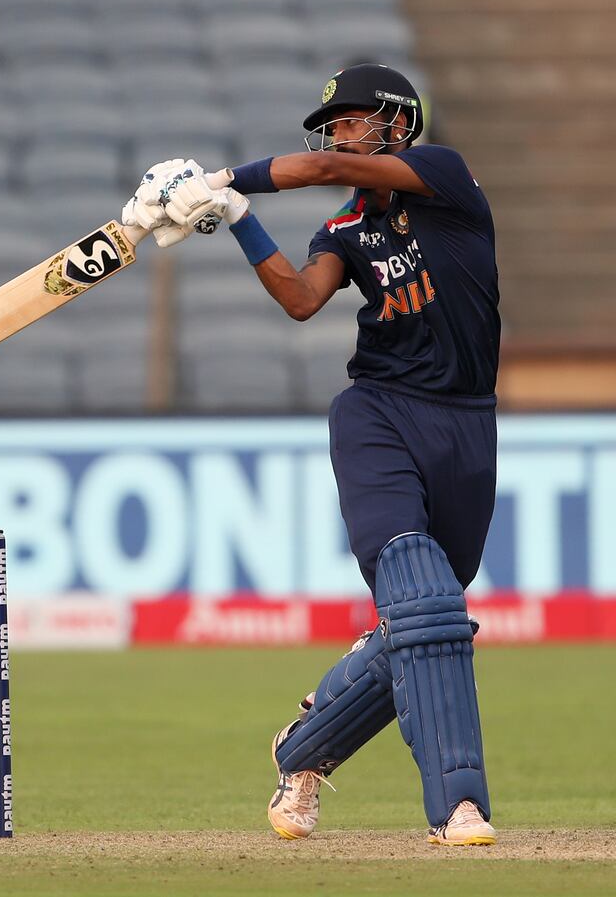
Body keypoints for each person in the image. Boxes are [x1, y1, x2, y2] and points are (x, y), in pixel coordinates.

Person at [123, 63, 500, 847]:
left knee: (419, 622)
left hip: (467, 423)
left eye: (355, 119)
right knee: (426, 602)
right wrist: (233, 215)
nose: (339, 134)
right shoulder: (342, 229)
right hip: (379, 416)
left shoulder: (444, 176)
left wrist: (225, 178)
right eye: (334, 124)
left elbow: (323, 167)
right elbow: (300, 299)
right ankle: (459, 804)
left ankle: (301, 752)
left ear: (398, 124)